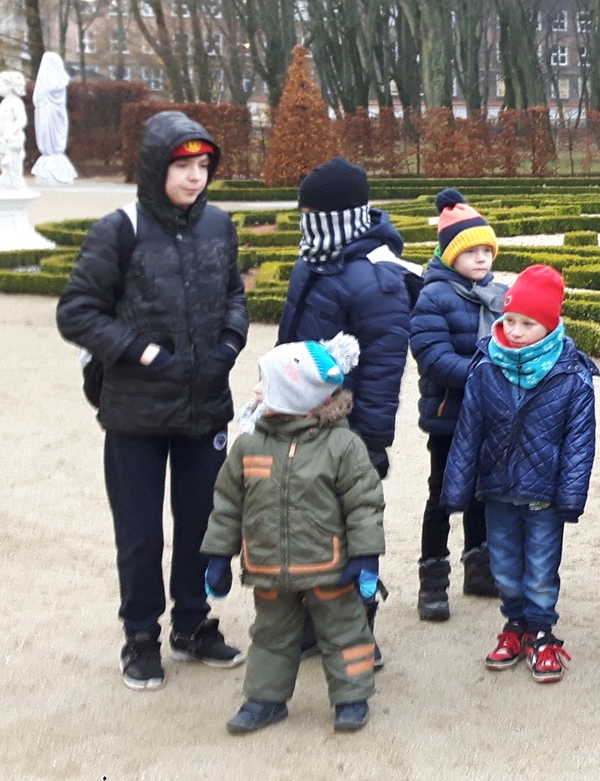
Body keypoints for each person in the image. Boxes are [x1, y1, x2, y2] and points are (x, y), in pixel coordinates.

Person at [57, 112, 249, 690]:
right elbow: (76, 312)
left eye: (203, 166)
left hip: (204, 404)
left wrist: (230, 342)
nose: (195, 178)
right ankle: (140, 636)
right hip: (136, 413)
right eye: (183, 166)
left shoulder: (219, 225)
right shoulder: (119, 229)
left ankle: (192, 624)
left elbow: (235, 294)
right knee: (141, 533)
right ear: (154, 167)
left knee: (201, 525)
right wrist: (140, 352)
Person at [200, 334, 382, 735]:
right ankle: (265, 700)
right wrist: (219, 556)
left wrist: (366, 557)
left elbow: (364, 504)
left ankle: (352, 697)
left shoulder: (342, 446)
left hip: (327, 565)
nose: (256, 390)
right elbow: (227, 504)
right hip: (267, 566)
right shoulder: (248, 445)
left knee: (344, 631)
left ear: (294, 393)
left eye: (265, 383)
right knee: (270, 635)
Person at [277, 155, 417, 663]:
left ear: (339, 214)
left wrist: (373, 441)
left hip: (348, 426)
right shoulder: (312, 258)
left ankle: (360, 629)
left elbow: (383, 369)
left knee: (354, 528)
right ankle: (316, 622)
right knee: (307, 523)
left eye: (313, 211)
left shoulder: (375, 277)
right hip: (298, 418)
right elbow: (288, 342)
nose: (305, 220)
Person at [443, 265, 599, 684]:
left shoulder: (572, 374)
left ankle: (542, 631)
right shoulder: (485, 366)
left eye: (527, 323)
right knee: (505, 568)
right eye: (509, 319)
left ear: (548, 326)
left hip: (544, 493)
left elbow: (579, 442)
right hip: (497, 490)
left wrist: (570, 496)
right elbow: (468, 430)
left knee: (542, 569)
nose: (513, 330)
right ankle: (515, 624)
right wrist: (457, 489)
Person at [408, 189, 507, 621]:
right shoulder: (433, 296)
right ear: (450, 255)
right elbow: (432, 356)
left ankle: (479, 568)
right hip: (449, 417)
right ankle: (433, 582)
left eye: (487, 249)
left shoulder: (500, 294)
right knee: (443, 498)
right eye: (472, 251)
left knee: (483, 493)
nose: (482, 258)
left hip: (489, 414)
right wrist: (486, 371)